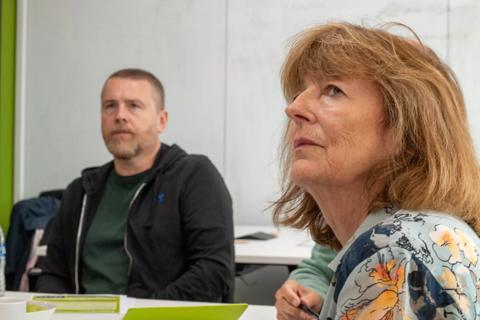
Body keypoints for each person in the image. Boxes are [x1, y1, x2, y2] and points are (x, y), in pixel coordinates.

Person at [273, 22, 480, 319]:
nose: (294, 107)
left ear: (404, 131)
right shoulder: (415, 235)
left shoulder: (395, 254)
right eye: (298, 92)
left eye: (333, 90)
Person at [36, 68, 234, 302]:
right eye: (110, 106)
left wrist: (140, 313)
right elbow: (53, 274)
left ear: (162, 120)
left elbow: (213, 273)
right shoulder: (81, 191)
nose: (120, 116)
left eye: (134, 105)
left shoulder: (193, 176)